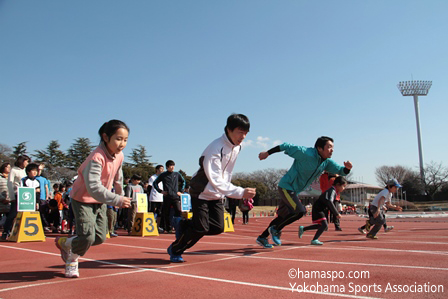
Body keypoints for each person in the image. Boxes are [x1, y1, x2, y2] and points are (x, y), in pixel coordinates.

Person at [167, 114, 256, 263]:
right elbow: (214, 178)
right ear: (229, 129)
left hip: (217, 193)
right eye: (240, 132)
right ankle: (175, 249)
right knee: (200, 228)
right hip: (201, 192)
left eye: (246, 133)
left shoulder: (237, 147)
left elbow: (226, 173)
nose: (244, 136)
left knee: (218, 227)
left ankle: (183, 224)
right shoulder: (215, 148)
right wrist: (240, 192)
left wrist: (226, 192)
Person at [55, 120, 131, 278]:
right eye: (118, 139)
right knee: (87, 236)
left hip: (100, 200)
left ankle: (66, 243)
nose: (122, 143)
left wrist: (121, 194)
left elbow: (118, 177)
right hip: (82, 199)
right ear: (105, 137)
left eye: (125, 140)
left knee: (99, 237)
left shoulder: (120, 156)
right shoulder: (97, 158)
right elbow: (94, 187)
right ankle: (72, 260)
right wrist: (116, 199)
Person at [256, 137, 352, 248]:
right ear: (319, 148)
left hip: (294, 191)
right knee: (300, 211)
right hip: (286, 186)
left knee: (282, 217)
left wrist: (347, 168)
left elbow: (341, 171)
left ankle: (262, 237)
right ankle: (275, 229)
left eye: (333, 147)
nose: (332, 150)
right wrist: (267, 153)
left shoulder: (326, 162)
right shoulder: (305, 153)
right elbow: (285, 145)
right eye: (329, 147)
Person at [299, 176, 348, 245]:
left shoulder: (334, 191)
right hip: (318, 208)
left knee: (320, 225)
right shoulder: (332, 191)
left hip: (321, 208)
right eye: (343, 186)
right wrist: (336, 213)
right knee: (324, 225)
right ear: (338, 185)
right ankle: (314, 240)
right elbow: (329, 202)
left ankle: (303, 229)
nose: (344, 188)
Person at [2, 155, 30, 240]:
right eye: (26, 161)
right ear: (22, 161)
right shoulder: (14, 170)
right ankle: (5, 232)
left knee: (23, 214)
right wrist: (11, 196)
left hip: (26, 195)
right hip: (17, 194)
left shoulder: (26, 171)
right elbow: (10, 183)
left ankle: (21, 232)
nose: (27, 163)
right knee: (13, 214)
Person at [153, 160, 186, 234]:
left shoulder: (177, 174)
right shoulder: (163, 175)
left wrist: (181, 191)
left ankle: (179, 227)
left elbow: (183, 181)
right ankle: (168, 228)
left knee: (178, 212)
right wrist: (160, 191)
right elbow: (155, 183)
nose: (172, 167)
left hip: (175, 197)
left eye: (173, 165)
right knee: (166, 213)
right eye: (171, 166)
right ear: (167, 167)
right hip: (167, 197)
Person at [148, 165, 164, 232]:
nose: (162, 170)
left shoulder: (163, 177)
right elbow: (149, 187)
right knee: (152, 212)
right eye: (161, 169)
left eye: (163, 169)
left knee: (159, 212)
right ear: (157, 170)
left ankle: (158, 226)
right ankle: (150, 225)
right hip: (154, 197)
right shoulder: (153, 177)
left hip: (161, 198)